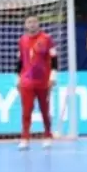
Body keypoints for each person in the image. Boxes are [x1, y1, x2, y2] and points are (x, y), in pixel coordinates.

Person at [16, 15, 56, 150]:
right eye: (29, 22)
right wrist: (18, 78)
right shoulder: (22, 40)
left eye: (34, 22)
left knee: (45, 110)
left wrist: (53, 76)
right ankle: (25, 138)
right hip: (26, 82)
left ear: (38, 24)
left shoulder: (47, 39)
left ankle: (47, 135)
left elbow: (54, 58)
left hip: (43, 81)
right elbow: (20, 61)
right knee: (26, 111)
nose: (32, 24)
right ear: (25, 25)